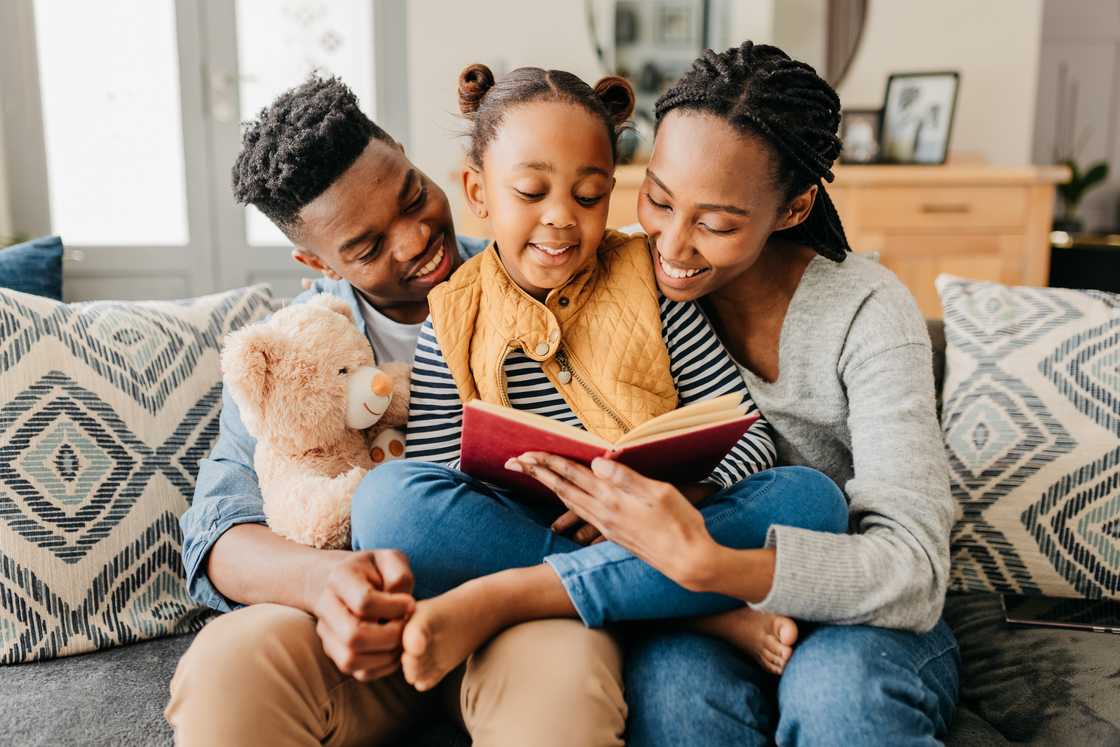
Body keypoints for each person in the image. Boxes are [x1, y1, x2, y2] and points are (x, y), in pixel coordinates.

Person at [510, 42, 962, 745]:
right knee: (676, 693)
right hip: (693, 605)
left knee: (836, 693)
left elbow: (915, 567)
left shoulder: (867, 313)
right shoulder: (622, 276)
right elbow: (498, 267)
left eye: (716, 223)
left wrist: (714, 564)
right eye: (658, 199)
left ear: (794, 207)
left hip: (855, 609)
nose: (671, 245)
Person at [352, 62, 848, 694]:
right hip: (526, 530)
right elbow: (434, 467)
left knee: (812, 497)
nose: (562, 217)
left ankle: (547, 594)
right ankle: (694, 613)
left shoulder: (650, 284)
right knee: (387, 501)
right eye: (531, 192)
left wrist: (684, 494)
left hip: (669, 521)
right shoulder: (451, 315)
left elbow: (747, 435)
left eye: (588, 196)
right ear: (478, 191)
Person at [165, 75, 628, 747]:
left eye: (413, 198)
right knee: (228, 668)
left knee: (563, 688)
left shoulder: (544, 272)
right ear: (317, 261)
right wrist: (326, 583)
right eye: (367, 247)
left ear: (410, 159)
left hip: (521, 611)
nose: (413, 241)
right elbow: (218, 532)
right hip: (363, 639)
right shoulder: (289, 355)